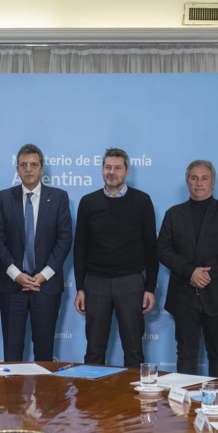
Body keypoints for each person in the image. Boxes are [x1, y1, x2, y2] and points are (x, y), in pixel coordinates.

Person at [157, 160, 218, 381]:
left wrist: (208, 274)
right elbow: (163, 250)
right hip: (183, 296)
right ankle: (187, 400)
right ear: (187, 182)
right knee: (186, 354)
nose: (199, 183)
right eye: (194, 178)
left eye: (204, 178)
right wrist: (191, 272)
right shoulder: (173, 214)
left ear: (213, 183)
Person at [73, 148, 158, 368]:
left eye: (117, 168)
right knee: (94, 351)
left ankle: (135, 392)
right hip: (96, 283)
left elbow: (151, 247)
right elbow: (80, 248)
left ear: (127, 171)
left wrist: (150, 288)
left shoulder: (142, 201)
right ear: (102, 170)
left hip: (130, 283)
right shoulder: (88, 202)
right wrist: (80, 287)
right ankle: (92, 391)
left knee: (134, 351)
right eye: (108, 167)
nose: (112, 172)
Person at [0, 144, 72, 362]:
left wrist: (43, 275)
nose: (28, 169)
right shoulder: (3, 198)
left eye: (34, 165)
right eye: (23, 165)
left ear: (41, 168)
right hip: (12, 286)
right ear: (17, 169)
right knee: (12, 352)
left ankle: (43, 387)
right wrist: (16, 274)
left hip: (45, 286)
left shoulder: (59, 197)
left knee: (44, 353)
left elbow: (64, 240)